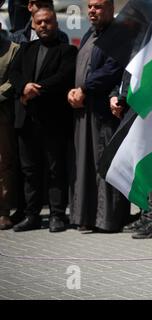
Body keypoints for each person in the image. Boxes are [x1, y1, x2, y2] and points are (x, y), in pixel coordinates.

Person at [9, 7, 77, 232]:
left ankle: (57, 215)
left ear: (56, 23)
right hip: (27, 120)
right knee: (30, 171)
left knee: (55, 169)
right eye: (39, 23)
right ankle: (32, 215)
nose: (44, 26)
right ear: (34, 25)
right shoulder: (26, 49)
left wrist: (34, 90)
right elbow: (14, 73)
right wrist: (23, 88)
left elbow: (63, 77)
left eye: (48, 21)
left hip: (53, 121)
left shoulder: (66, 51)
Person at [68, 0, 130, 232]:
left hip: (105, 111)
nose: (92, 11)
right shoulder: (88, 34)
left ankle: (108, 219)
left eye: (99, 6)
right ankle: (85, 215)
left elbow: (112, 69)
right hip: (84, 111)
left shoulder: (119, 35)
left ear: (111, 8)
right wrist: (74, 92)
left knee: (103, 161)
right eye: (90, 6)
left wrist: (84, 88)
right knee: (84, 163)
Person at [0, 24, 20, 230]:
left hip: (3, 117)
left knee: (4, 164)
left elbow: (13, 80)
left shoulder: (12, 49)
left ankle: (3, 210)